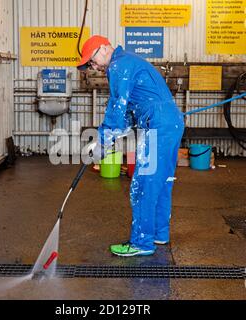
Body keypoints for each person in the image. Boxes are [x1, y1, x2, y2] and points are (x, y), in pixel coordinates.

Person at [78, 35, 185, 257]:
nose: (93, 66)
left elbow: (117, 108)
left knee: (143, 184)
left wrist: (102, 141)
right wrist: (106, 142)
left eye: (92, 59)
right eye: (89, 64)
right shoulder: (128, 61)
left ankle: (142, 243)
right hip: (169, 122)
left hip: (158, 122)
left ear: (105, 48)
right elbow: (126, 114)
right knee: (161, 181)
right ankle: (158, 233)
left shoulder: (119, 66)